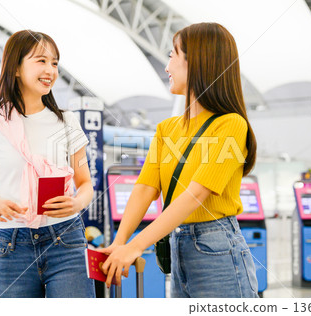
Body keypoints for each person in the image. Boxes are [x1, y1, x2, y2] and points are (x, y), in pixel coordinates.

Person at [101, 23, 259, 298]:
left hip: (218, 249)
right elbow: (144, 189)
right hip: (178, 247)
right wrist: (119, 242)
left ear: (197, 62)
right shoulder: (167, 129)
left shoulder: (231, 125)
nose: (167, 67)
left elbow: (195, 195)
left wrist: (136, 245)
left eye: (173, 55)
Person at [0, 30, 95, 298]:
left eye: (55, 63)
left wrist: (78, 203)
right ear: (17, 67)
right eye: (41, 61)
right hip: (11, 245)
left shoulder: (68, 123)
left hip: (66, 238)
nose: (51, 70)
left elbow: (86, 183)